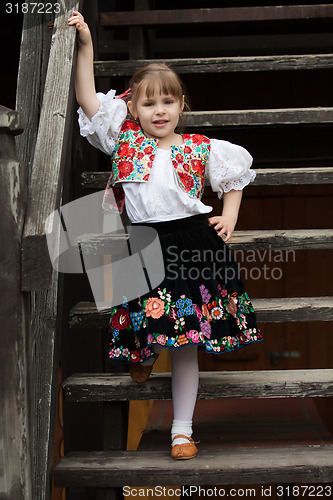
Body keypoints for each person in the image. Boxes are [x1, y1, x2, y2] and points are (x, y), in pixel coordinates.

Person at [68, 11, 263, 460]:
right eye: (149, 103)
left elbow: (234, 179)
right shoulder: (123, 139)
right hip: (139, 241)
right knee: (147, 323)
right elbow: (86, 99)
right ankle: (142, 351)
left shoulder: (200, 148)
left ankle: (181, 430)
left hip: (192, 244)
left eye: (169, 102)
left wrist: (229, 216)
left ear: (181, 106)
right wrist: (85, 45)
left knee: (187, 341)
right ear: (133, 108)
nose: (160, 111)